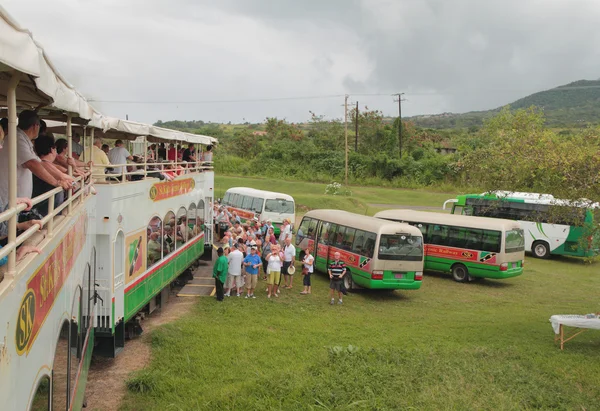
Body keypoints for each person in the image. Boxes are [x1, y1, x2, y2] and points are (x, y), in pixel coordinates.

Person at [0, 110, 71, 204]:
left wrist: (62, 177)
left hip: (16, 201)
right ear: (35, 126)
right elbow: (32, 164)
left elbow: (42, 163)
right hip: (8, 201)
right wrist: (56, 183)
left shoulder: (23, 139)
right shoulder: (17, 139)